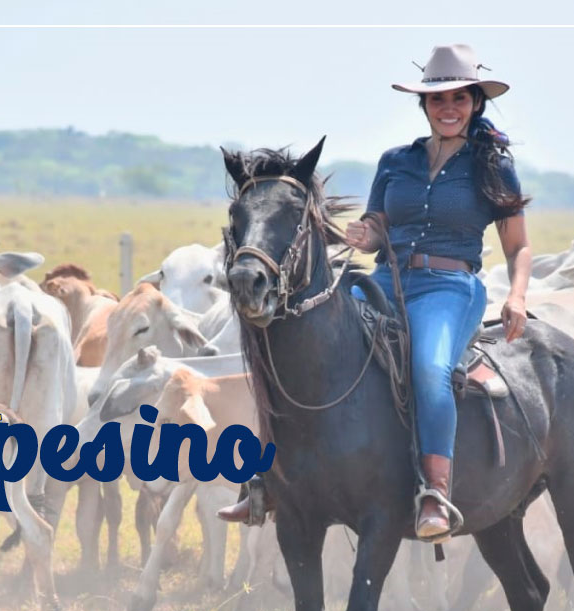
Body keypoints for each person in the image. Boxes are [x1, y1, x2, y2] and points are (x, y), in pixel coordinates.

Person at [218, 44, 532, 543]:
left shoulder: (492, 166)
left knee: (431, 371)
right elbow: (375, 227)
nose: (448, 108)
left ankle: (433, 491)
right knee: (305, 342)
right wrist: (357, 235)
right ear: (424, 106)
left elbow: (518, 248)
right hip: (387, 279)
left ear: (475, 101)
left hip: (450, 288)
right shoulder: (396, 161)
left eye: (458, 98)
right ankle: (268, 478)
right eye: (437, 100)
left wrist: (516, 296)